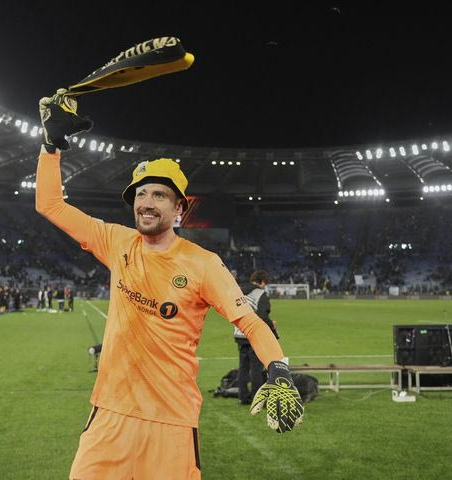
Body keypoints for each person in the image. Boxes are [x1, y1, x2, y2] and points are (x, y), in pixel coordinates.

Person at [35, 91, 303, 480]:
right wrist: (50, 146)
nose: (146, 202)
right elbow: (50, 205)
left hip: (171, 422)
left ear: (179, 208)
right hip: (109, 414)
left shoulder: (203, 264)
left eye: (159, 194)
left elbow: (250, 321)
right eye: (140, 193)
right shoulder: (116, 241)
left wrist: (278, 369)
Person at [235, 270, 279, 405]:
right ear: (263, 282)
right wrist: (272, 325)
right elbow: (263, 316)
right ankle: (257, 398)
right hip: (253, 334)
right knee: (256, 368)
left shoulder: (239, 291)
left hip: (239, 333)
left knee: (243, 367)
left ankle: (242, 397)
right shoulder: (260, 293)